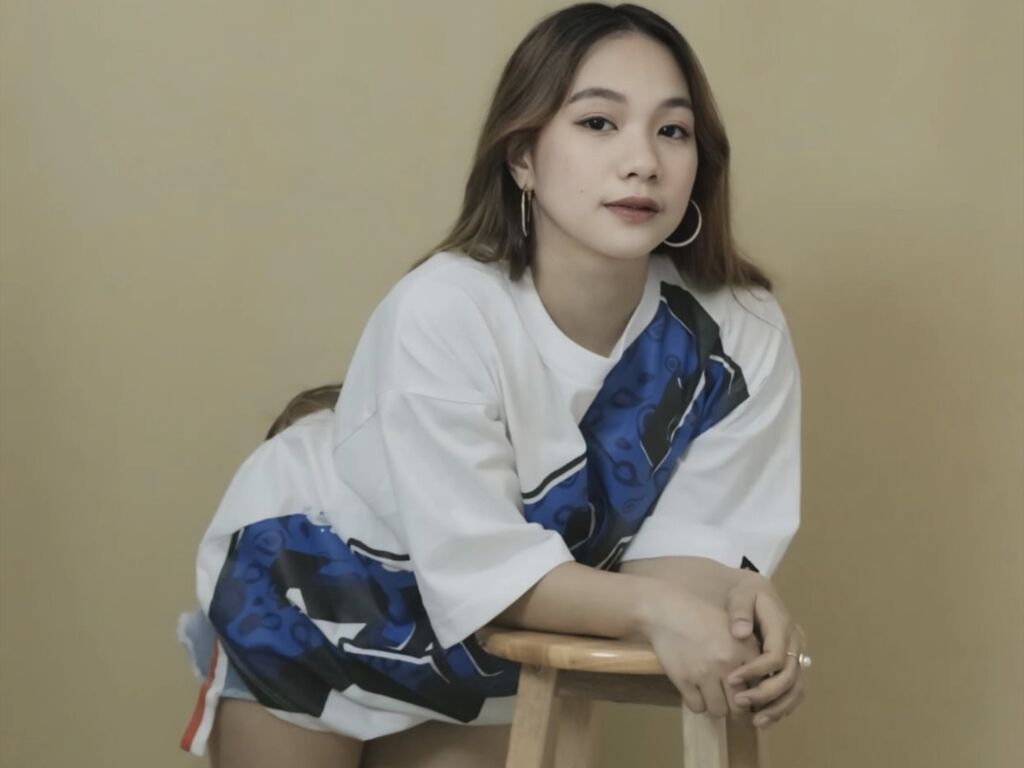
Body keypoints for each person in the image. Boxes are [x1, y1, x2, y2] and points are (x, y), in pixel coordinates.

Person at [178, 3, 811, 766]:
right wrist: (660, 608)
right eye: (599, 123)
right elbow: (495, 573)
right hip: (315, 591)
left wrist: (737, 605)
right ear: (521, 158)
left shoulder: (739, 333)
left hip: (509, 629)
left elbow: (675, 571)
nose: (643, 160)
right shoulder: (442, 307)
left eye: (672, 131)